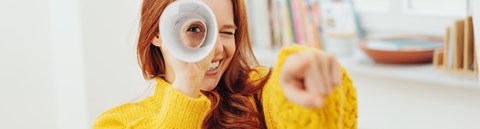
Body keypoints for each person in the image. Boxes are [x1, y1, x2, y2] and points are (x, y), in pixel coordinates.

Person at [93, 0, 357, 128]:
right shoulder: (117, 122)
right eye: (196, 29)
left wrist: (303, 81)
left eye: (228, 32)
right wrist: (187, 86)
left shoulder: (259, 91)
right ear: (158, 34)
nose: (217, 48)